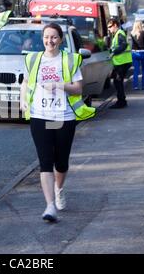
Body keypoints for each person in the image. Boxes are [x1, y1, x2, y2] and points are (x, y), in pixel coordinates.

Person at [20, 23, 96, 222]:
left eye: (54, 37)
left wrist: (58, 85)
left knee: (60, 162)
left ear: (60, 40)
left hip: (63, 117)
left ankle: (59, 189)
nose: (50, 41)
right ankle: (49, 205)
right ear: (42, 39)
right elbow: (26, 82)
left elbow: (78, 88)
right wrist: (22, 102)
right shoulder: (33, 59)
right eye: (46, 37)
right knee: (45, 161)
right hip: (40, 116)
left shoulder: (69, 60)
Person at [107, 18, 133, 109]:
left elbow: (123, 45)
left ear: (115, 25)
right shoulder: (117, 34)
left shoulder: (120, 33)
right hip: (120, 62)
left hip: (122, 62)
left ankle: (121, 102)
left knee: (118, 82)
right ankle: (121, 101)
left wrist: (113, 52)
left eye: (110, 27)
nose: (109, 29)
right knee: (117, 81)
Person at [130, 20, 144, 90]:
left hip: (134, 53)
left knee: (136, 70)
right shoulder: (143, 33)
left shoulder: (132, 33)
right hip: (142, 52)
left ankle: (135, 86)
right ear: (141, 25)